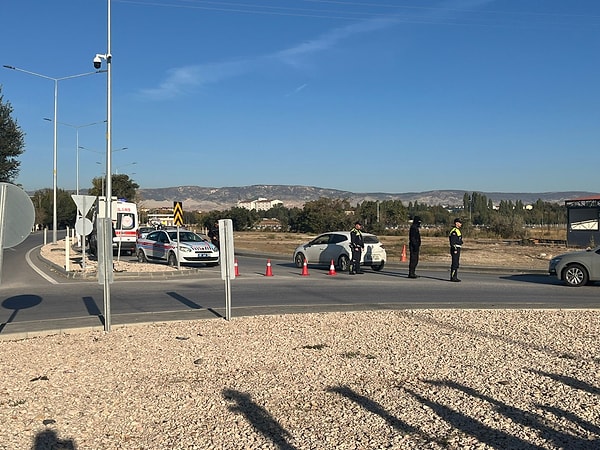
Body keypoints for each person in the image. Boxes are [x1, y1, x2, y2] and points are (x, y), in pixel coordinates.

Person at [449, 218, 463, 282]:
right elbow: (453, 242)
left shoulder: (458, 230)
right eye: (459, 223)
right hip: (455, 248)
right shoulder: (454, 231)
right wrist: (455, 249)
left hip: (458, 248)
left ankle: (455, 276)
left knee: (456, 263)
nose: (461, 224)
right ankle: (453, 277)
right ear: (456, 223)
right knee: (454, 263)